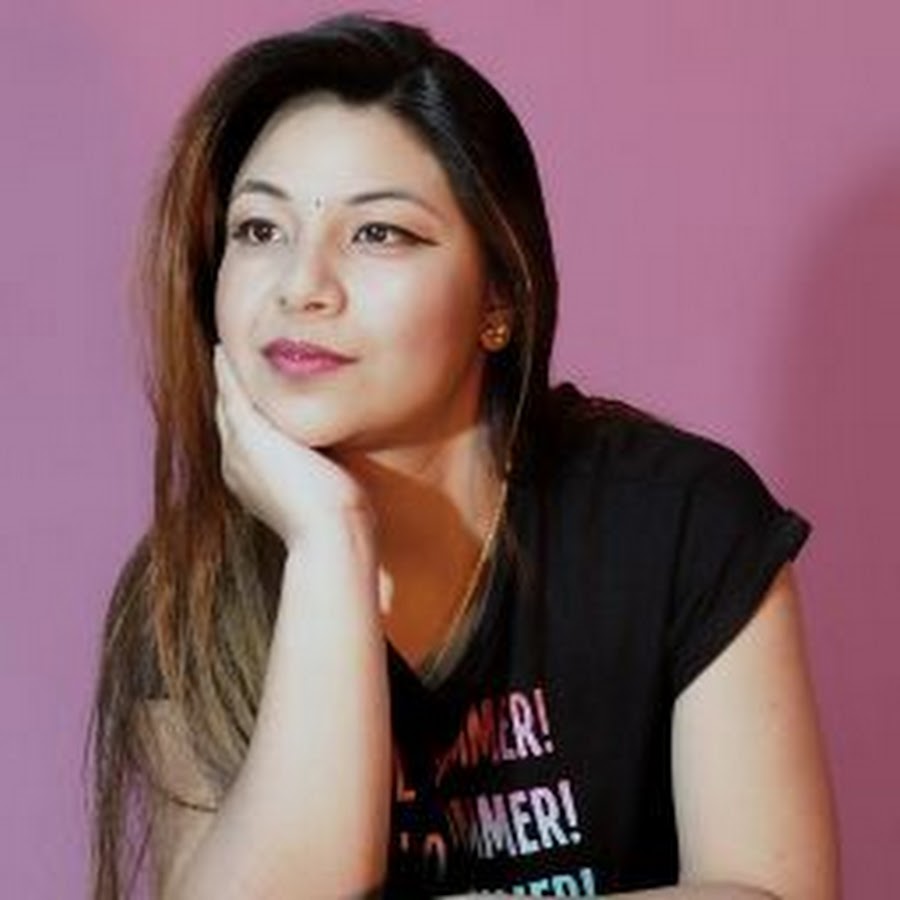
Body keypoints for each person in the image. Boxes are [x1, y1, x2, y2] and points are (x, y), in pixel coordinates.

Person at [89, 12, 839, 900]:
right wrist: (329, 541)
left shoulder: (677, 521)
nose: (301, 285)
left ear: (499, 299)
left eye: (379, 233)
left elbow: (771, 892)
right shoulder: (191, 583)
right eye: (259, 229)